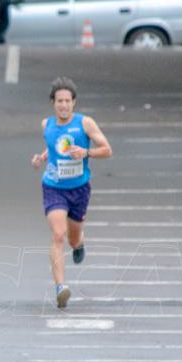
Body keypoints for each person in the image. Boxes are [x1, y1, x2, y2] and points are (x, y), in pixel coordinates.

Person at [31, 77, 112, 309]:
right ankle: (60, 288)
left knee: (72, 238)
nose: (64, 105)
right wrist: (42, 157)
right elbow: (53, 145)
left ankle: (79, 244)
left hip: (79, 189)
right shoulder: (46, 125)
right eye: (59, 101)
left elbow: (107, 150)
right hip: (54, 187)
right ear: (52, 102)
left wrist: (86, 152)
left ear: (74, 102)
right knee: (58, 234)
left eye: (67, 101)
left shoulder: (85, 123)